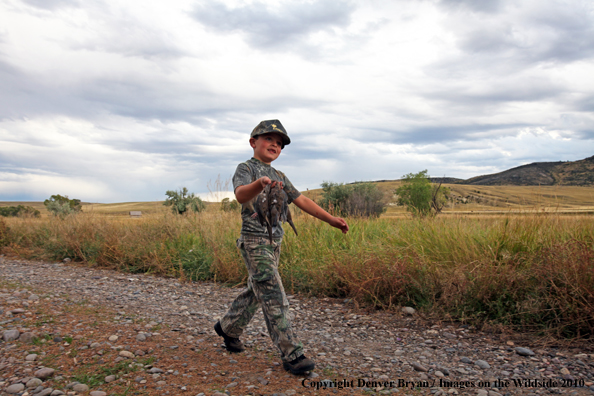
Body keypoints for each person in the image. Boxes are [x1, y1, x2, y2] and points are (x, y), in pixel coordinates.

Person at [214, 119, 349, 375]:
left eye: (279, 143)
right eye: (268, 139)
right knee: (274, 293)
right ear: (253, 142)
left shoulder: (280, 176)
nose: (274, 145)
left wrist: (331, 219)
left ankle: (228, 327)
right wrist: (260, 184)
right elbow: (241, 194)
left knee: (258, 289)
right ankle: (292, 354)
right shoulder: (246, 168)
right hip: (254, 240)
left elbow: (302, 200)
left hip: (276, 240)